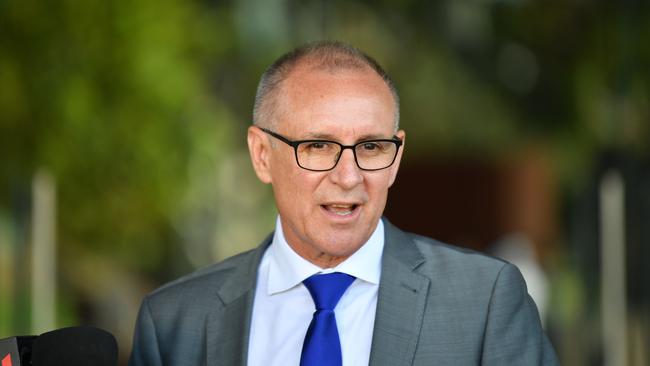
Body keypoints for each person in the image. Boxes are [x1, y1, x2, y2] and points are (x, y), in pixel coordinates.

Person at [128, 41, 559, 366]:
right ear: (262, 155)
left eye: (370, 147)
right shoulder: (175, 324)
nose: (349, 176)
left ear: (396, 158)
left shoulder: (483, 302)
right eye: (318, 146)